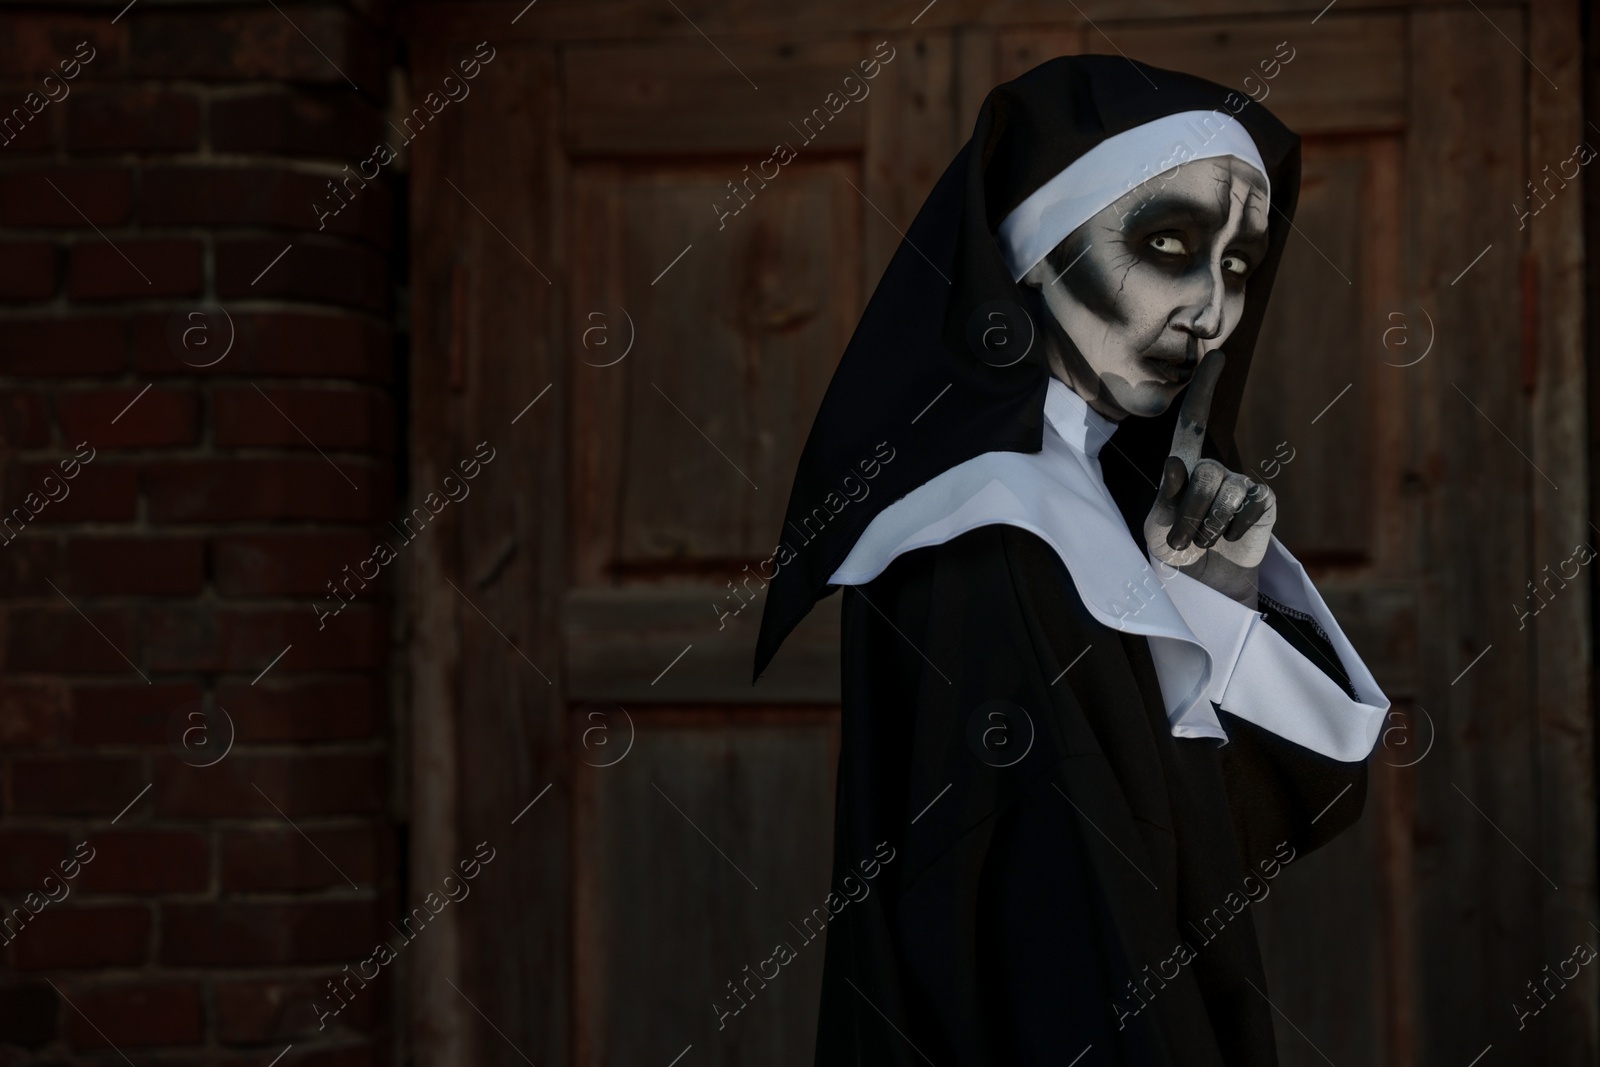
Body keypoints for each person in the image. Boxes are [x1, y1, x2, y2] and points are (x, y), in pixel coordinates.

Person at [753, 55, 1388, 1066]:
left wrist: (1212, 592)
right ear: (1034, 250)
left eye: (1235, 264)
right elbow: (1043, 951)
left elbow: (1211, 850)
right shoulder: (985, 538)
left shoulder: (1088, 504)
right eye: (1168, 243)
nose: (1212, 315)